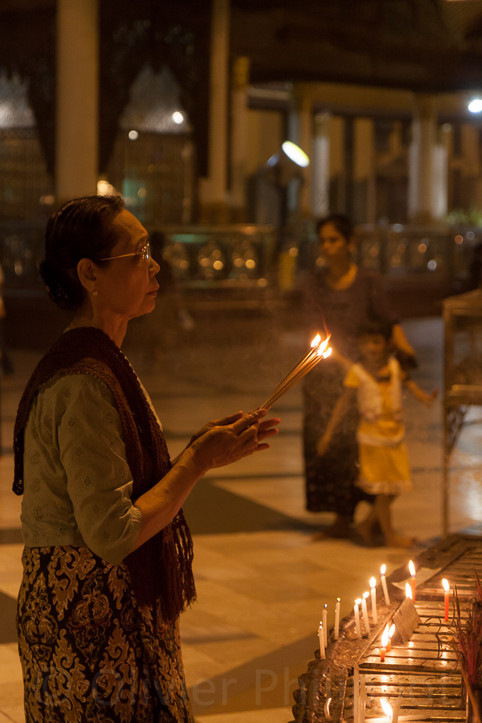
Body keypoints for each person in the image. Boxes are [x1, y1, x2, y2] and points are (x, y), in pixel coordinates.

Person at [12, 195, 279, 722]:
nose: (154, 265)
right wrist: (197, 461)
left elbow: (130, 487)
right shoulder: (83, 382)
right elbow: (112, 532)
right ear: (89, 273)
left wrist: (202, 450)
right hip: (87, 625)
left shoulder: (106, 362)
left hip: (108, 614)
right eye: (137, 255)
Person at [302, 213, 416, 540]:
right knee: (330, 444)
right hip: (326, 378)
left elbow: (390, 321)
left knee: (366, 446)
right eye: (323, 240)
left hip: (364, 378)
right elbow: (314, 332)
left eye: (334, 239)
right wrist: (344, 366)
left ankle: (373, 517)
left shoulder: (368, 282)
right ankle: (340, 519)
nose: (327, 246)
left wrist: (405, 354)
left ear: (350, 243)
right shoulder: (313, 283)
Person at [316, 318, 437, 547]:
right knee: (384, 489)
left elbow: (412, 388)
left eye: (376, 342)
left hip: (395, 436)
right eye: (365, 343)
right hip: (372, 439)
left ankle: (367, 524)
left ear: (386, 344)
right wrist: (328, 434)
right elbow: (343, 403)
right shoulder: (357, 372)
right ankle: (390, 536)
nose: (371, 348)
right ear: (359, 346)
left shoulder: (394, 366)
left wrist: (427, 398)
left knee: (396, 486)